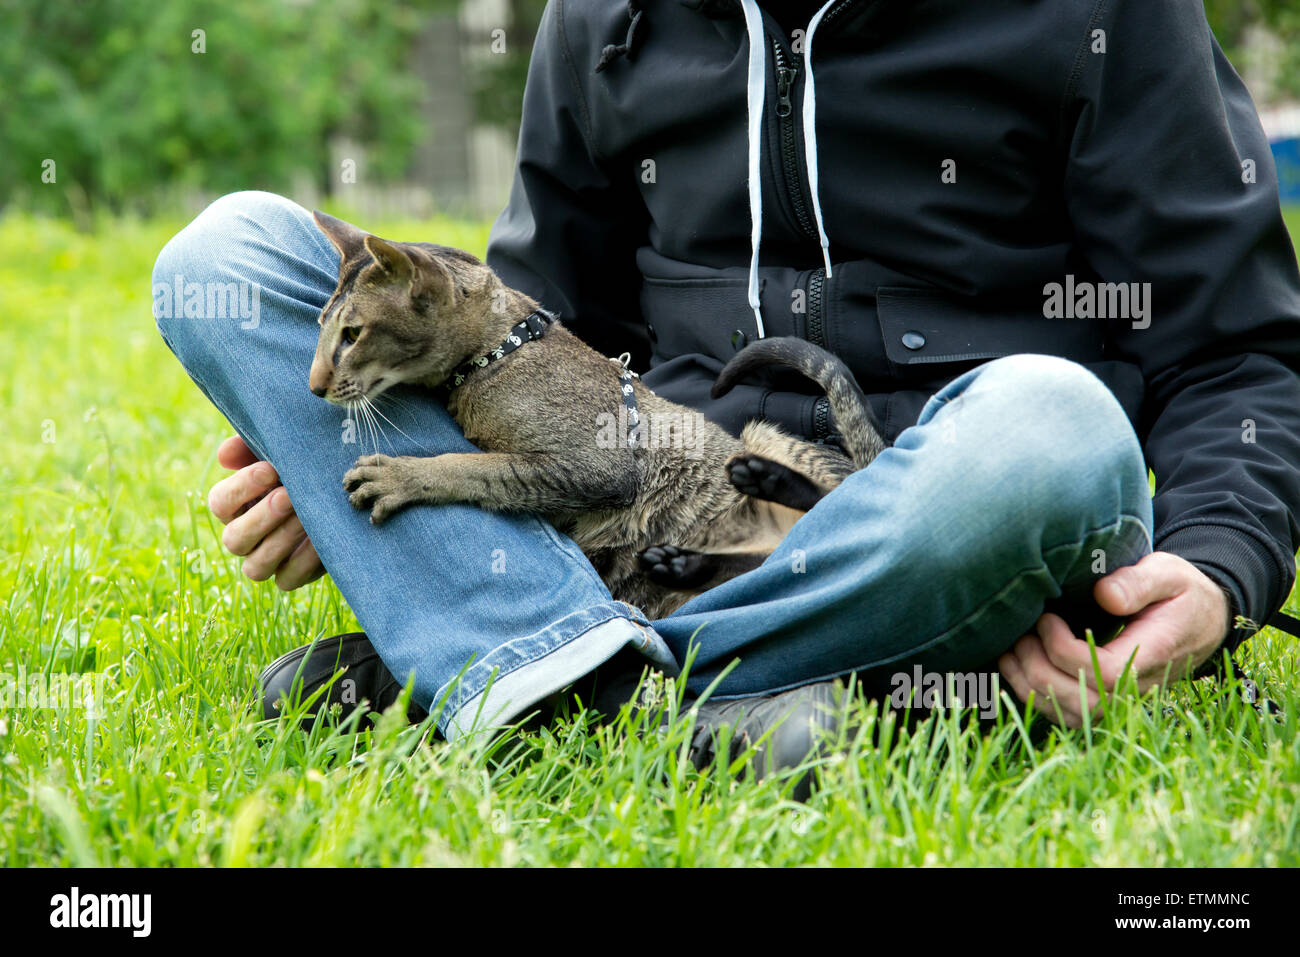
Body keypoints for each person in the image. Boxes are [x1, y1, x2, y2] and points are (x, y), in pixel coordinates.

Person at [153, 0, 1300, 773]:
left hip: (956, 512)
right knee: (230, 252)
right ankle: (739, 698)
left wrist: (1215, 569)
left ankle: (526, 666)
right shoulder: (600, 17)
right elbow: (543, 333)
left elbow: (1241, 348)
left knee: (1050, 423)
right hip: (652, 524)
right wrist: (355, 451)